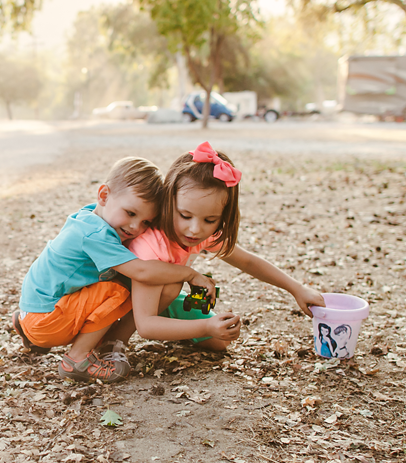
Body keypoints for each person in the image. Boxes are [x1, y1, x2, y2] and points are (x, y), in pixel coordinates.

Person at [13, 157, 211, 383]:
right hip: (47, 321)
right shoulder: (97, 235)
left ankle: (29, 331)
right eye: (130, 213)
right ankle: (76, 359)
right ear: (104, 196)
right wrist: (190, 274)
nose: (136, 227)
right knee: (119, 290)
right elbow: (142, 272)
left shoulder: (89, 218)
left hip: (34, 310)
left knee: (109, 285)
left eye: (146, 222)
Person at [122, 142, 325, 350]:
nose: (195, 229)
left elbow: (247, 261)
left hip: (157, 300)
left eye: (210, 220)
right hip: (119, 305)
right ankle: (114, 342)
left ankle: (171, 323)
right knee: (173, 285)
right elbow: (145, 326)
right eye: (185, 215)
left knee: (219, 341)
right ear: (168, 200)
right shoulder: (151, 245)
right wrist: (205, 326)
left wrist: (297, 289)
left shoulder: (199, 233)